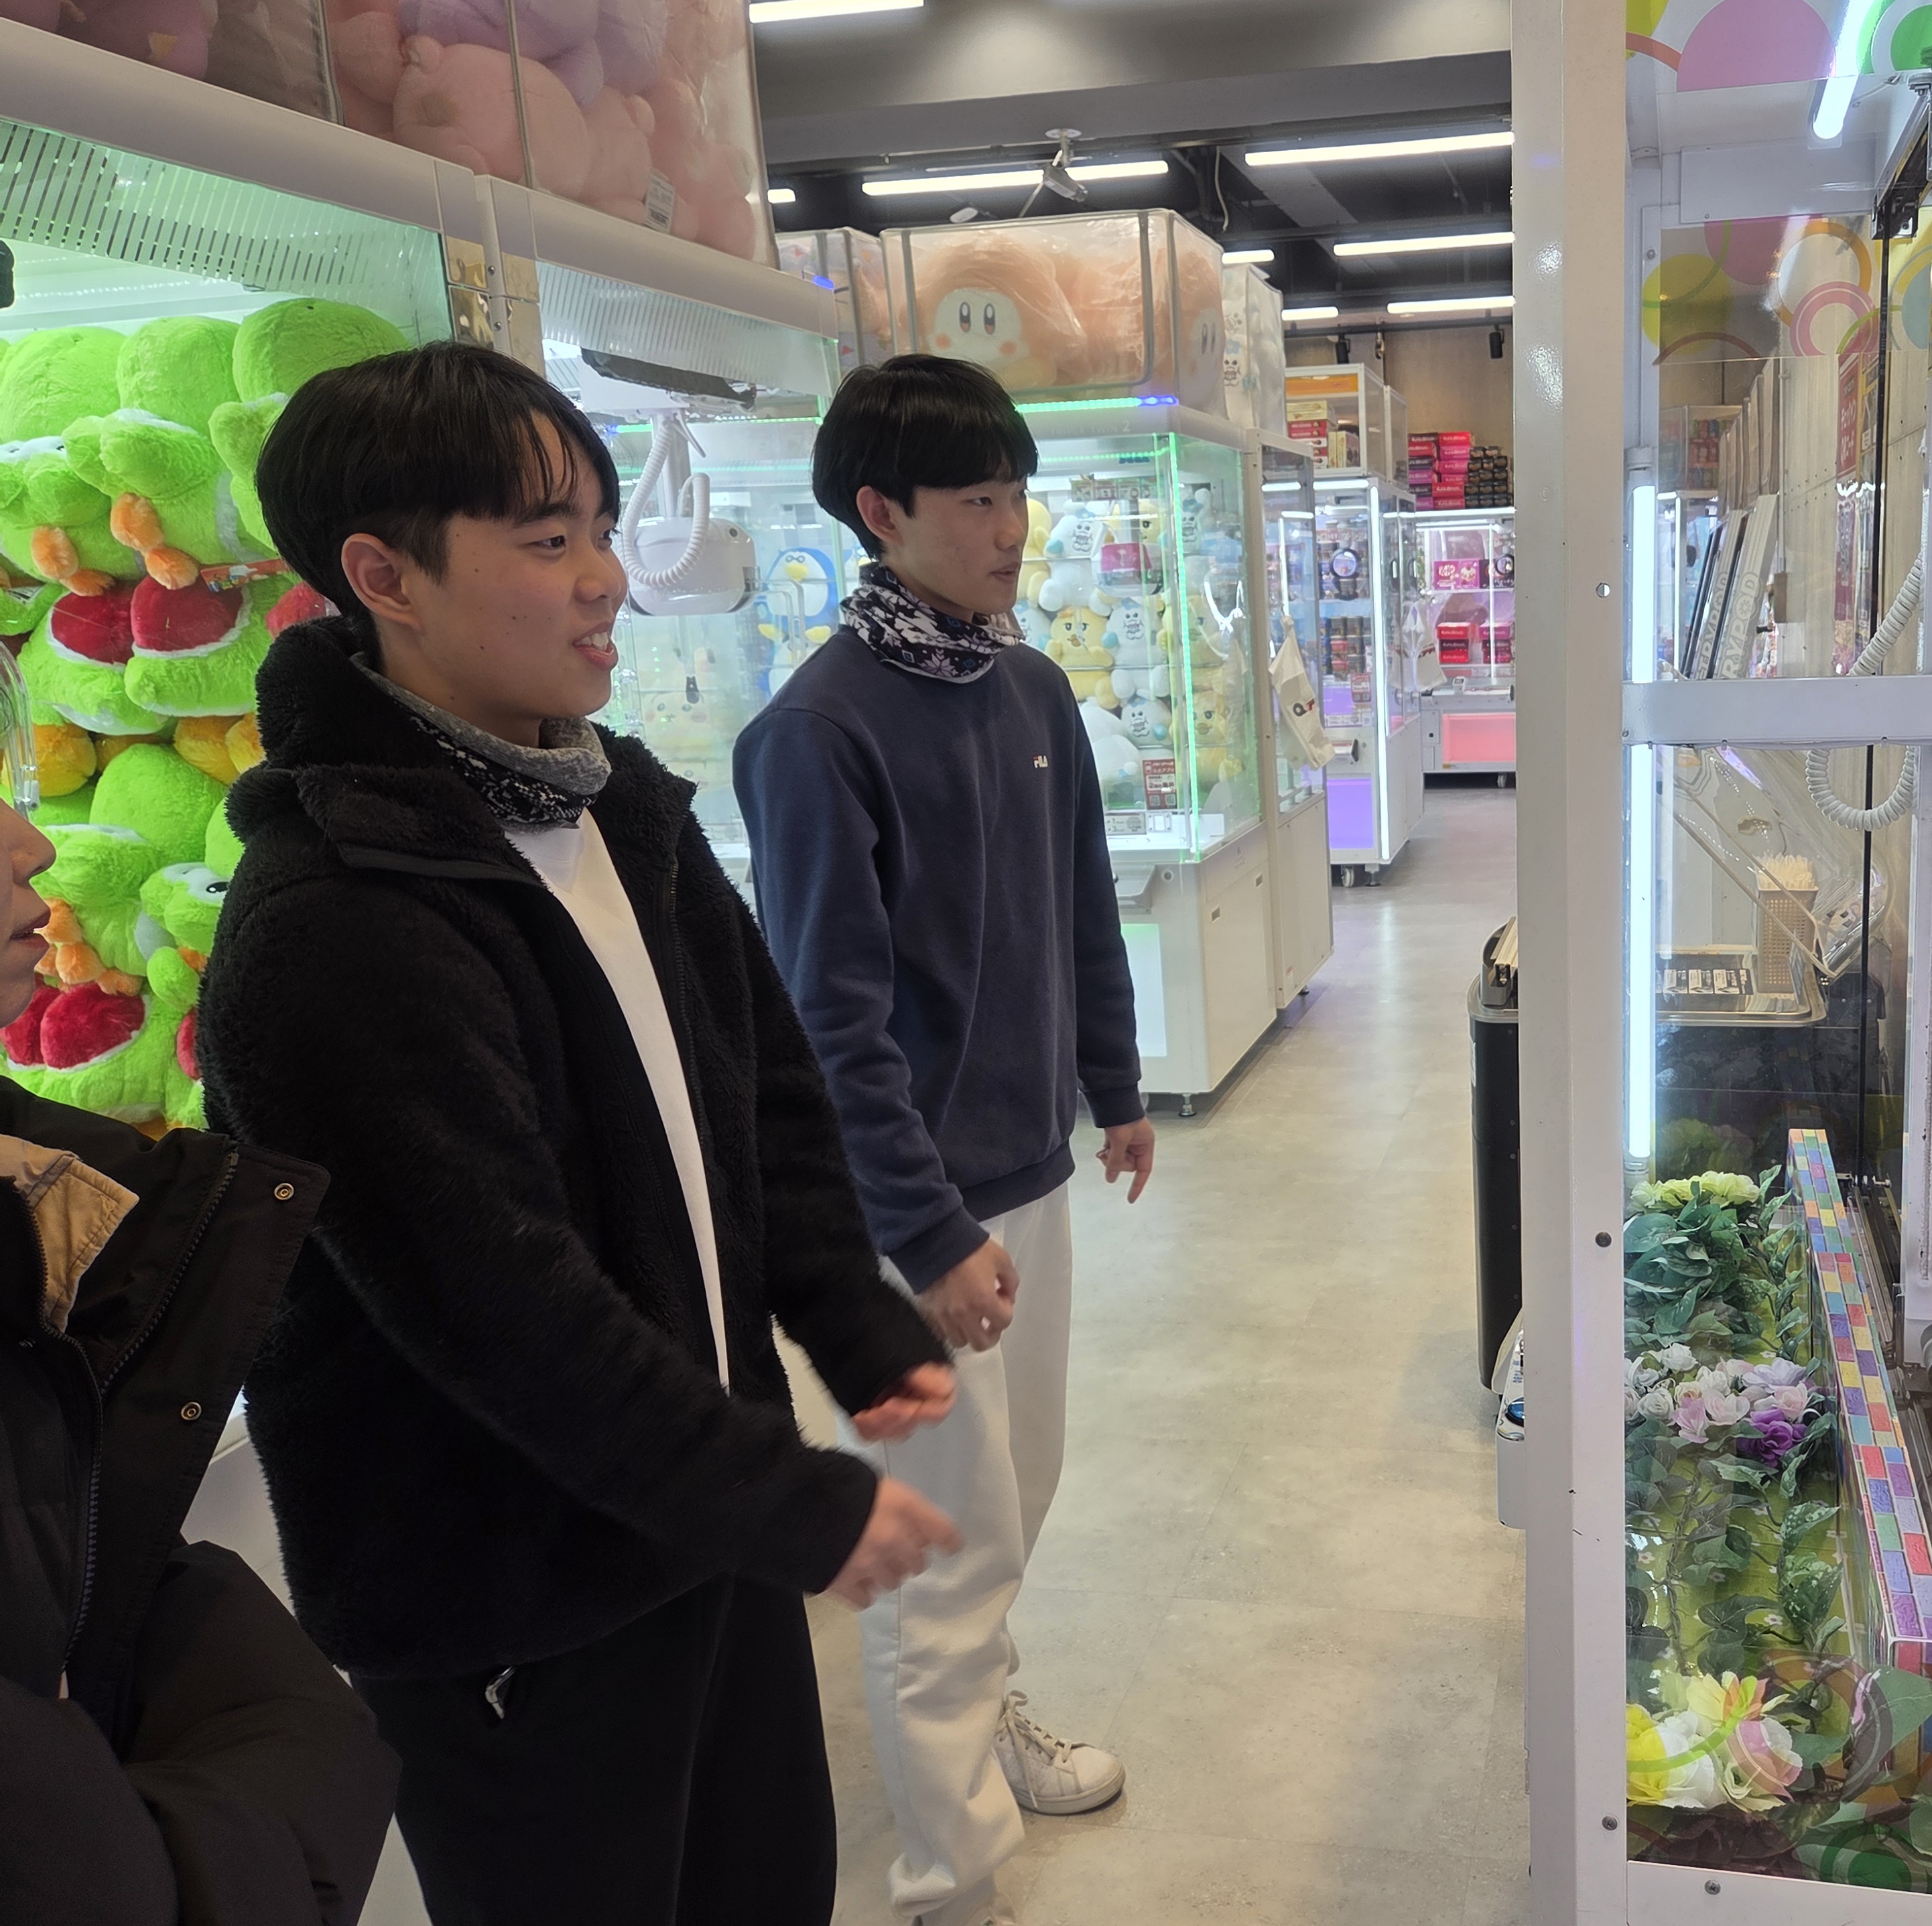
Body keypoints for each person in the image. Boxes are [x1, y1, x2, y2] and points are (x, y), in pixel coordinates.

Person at [196, 342, 965, 1926]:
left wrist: (846, 1311)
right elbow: (503, 1306)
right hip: (509, 1597)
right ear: (383, 578)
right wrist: (791, 1500)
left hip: (696, 1526)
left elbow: (760, 1096)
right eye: (549, 540)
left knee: (764, 1890)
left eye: (602, 530)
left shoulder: (617, 806)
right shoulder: (328, 920)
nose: (608, 579)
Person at [735, 353, 1156, 1926]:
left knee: (1015, 1496)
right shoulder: (814, 730)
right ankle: (949, 1877)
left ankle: (979, 1737)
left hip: (1025, 1174)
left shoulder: (1027, 689)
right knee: (945, 1538)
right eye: (976, 499)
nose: (1010, 528)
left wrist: (1114, 1086)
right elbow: (828, 1024)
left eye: (1017, 493)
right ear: (879, 511)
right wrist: (925, 1233)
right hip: (907, 1217)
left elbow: (1078, 907)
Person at [0, 647, 397, 1924]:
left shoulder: (63, 1202)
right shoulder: (319, 902)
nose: (33, 849)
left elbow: (95, 1577)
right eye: (550, 548)